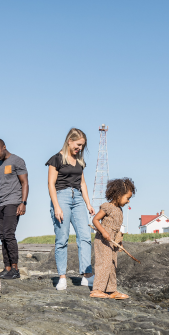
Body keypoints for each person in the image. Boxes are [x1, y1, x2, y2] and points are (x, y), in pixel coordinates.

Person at [46, 128, 95, 290]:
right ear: (70, 141)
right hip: (61, 197)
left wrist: (88, 203)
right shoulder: (56, 159)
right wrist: (57, 206)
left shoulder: (79, 161)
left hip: (78, 199)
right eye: (78, 144)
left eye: (82, 146)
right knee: (62, 238)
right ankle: (62, 277)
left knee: (85, 236)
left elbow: (82, 183)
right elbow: (51, 184)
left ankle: (86, 275)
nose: (80, 148)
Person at [0, 138, 29, 279]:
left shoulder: (17, 161)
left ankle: (15, 269)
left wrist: (23, 202)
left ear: (4, 147)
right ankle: (6, 268)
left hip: (13, 202)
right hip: (0, 204)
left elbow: (24, 183)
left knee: (9, 234)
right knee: (2, 236)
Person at [90, 178, 135, 299]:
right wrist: (104, 232)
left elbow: (117, 228)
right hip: (103, 240)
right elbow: (95, 220)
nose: (128, 201)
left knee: (112, 265)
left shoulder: (119, 210)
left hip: (113, 241)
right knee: (103, 263)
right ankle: (97, 289)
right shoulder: (108, 207)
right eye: (127, 198)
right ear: (119, 195)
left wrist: (120, 241)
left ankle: (111, 290)